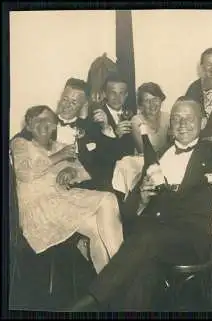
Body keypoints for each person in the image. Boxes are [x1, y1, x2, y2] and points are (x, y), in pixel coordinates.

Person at [69, 98, 212, 311]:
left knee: (144, 241)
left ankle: (91, 301)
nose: (182, 123)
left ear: (202, 123)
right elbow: (127, 212)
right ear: (170, 124)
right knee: (141, 270)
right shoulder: (159, 154)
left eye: (189, 118)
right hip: (152, 238)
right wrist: (142, 199)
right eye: (176, 118)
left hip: (190, 239)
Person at [10, 105, 124, 274]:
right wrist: (60, 157)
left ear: (55, 125)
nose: (43, 124)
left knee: (98, 230)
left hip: (62, 201)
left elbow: (83, 172)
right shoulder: (20, 144)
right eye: (36, 120)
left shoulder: (59, 146)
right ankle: (124, 274)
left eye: (48, 119)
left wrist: (70, 171)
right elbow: (25, 173)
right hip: (40, 208)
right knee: (107, 199)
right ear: (28, 126)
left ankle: (109, 288)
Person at [54, 78, 105, 185]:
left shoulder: (90, 129)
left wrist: (84, 119)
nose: (67, 106)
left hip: (79, 184)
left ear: (83, 105)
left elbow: (95, 164)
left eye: (74, 102)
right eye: (65, 99)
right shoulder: (45, 122)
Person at [90, 73, 136, 188]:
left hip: (129, 176)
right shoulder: (96, 117)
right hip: (106, 178)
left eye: (121, 93)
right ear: (105, 94)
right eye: (113, 93)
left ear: (126, 95)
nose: (117, 98)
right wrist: (116, 136)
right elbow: (96, 158)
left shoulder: (131, 116)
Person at [131, 82, 171, 155]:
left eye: (155, 99)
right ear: (141, 104)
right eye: (147, 100)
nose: (152, 104)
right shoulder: (136, 121)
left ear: (161, 100)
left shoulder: (167, 117)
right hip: (144, 162)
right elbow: (144, 152)